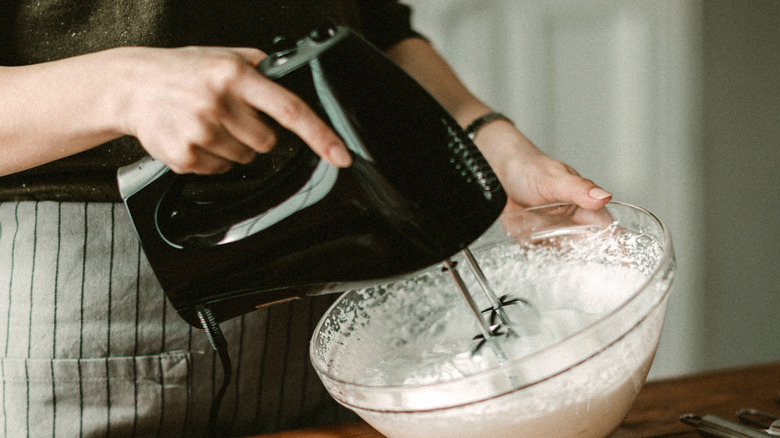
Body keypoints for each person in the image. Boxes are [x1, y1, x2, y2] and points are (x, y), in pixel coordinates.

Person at [0, 1, 612, 437]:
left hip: (351, 284)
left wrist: (483, 136)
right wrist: (122, 89)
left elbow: (374, 25)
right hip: (99, 307)